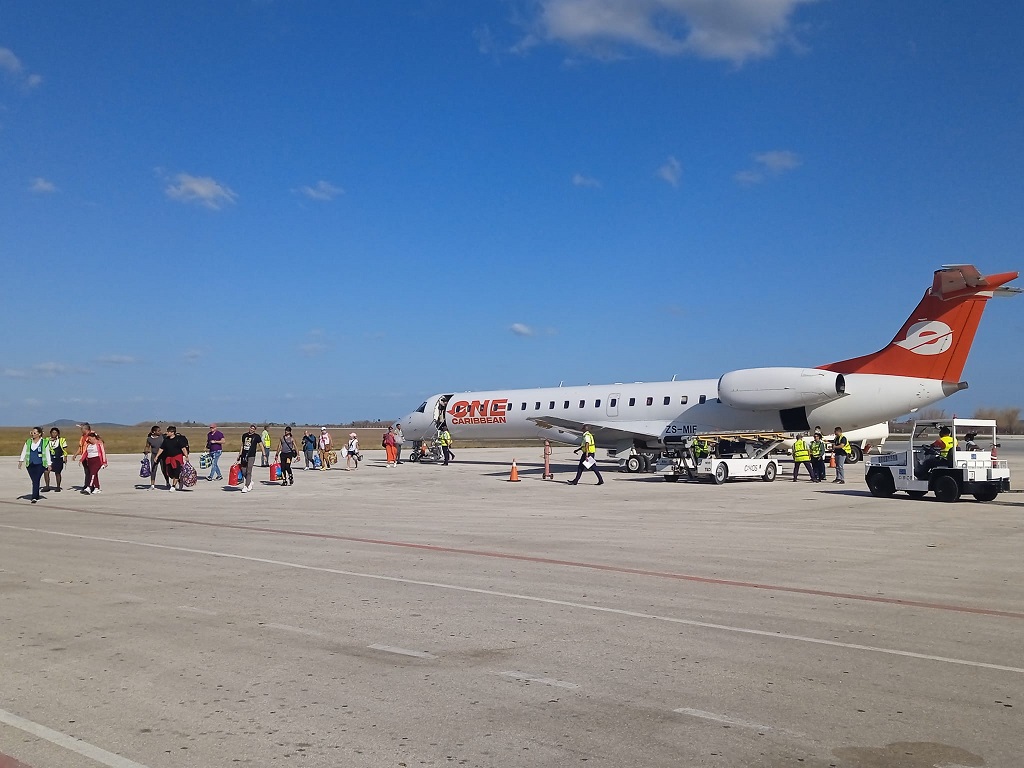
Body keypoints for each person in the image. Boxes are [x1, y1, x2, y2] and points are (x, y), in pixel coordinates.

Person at [18, 427, 52, 503]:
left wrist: (49, 464)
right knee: (34, 480)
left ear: (39, 434)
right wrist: (21, 461)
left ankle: (34, 497)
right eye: (32, 433)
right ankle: (36, 495)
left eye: (34, 433)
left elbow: (47, 453)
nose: (32, 434)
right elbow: (24, 451)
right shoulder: (28, 442)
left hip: (40, 464)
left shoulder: (44, 442)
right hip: (30, 464)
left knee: (36, 479)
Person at [154, 425, 189, 492]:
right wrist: (157, 456)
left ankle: (173, 486)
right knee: (170, 473)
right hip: (169, 458)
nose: (167, 433)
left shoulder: (178, 439)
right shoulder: (166, 440)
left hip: (177, 458)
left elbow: (183, 448)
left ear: (172, 432)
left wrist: (186, 456)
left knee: (176, 471)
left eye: (168, 432)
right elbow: (161, 448)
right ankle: (179, 480)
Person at [237, 424, 262, 493]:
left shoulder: (256, 436)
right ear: (249, 428)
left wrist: (264, 454)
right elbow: (242, 445)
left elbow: (261, 445)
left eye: (253, 429)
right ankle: (250, 481)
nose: (252, 430)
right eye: (251, 428)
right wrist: (239, 454)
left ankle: (246, 486)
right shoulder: (244, 435)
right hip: (244, 455)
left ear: (255, 430)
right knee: (243, 470)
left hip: (251, 455)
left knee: (249, 470)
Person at [43, 427, 68, 492]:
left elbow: (65, 449)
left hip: (58, 459)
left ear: (58, 433)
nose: (54, 434)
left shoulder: (62, 440)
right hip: (49, 459)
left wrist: (65, 457)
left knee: (57, 473)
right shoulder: (47, 440)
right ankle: (47, 486)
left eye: (55, 432)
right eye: (53, 432)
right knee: (46, 472)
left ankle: (58, 487)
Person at [144, 425, 168, 490]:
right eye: (158, 431)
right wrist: (146, 451)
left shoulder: (163, 437)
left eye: (160, 430)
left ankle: (167, 482)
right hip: (154, 455)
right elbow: (147, 446)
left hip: (163, 456)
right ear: (154, 432)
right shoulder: (149, 439)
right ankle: (152, 484)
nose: (160, 432)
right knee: (153, 469)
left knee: (164, 470)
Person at [72, 422, 92, 490]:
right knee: (86, 472)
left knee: (91, 472)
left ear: (86, 429)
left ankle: (91, 485)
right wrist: (75, 455)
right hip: (84, 457)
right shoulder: (82, 437)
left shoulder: (92, 435)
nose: (81, 430)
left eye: (82, 429)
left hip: (90, 456)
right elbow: (80, 447)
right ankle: (86, 485)